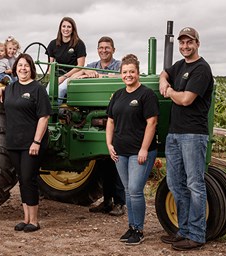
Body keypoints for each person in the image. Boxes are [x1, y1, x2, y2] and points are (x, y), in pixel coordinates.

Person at [159, 27, 214, 251]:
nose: (184, 46)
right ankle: (182, 231)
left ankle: (197, 234)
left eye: (189, 42)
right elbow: (165, 73)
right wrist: (164, 81)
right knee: (175, 183)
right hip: (174, 134)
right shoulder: (180, 66)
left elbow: (185, 100)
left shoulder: (202, 69)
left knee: (194, 184)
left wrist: (170, 92)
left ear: (197, 43)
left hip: (193, 134)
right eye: (181, 43)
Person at [0, 53, 51, 233]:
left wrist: (36, 141)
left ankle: (34, 220)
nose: (23, 68)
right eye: (20, 66)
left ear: (31, 68)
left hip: (31, 143)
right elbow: (1, 91)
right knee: (21, 180)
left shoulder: (37, 89)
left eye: (26, 66)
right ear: (15, 68)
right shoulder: (10, 87)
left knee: (28, 178)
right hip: (13, 142)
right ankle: (25, 218)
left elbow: (44, 117)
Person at [106, 54, 159, 245]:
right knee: (128, 190)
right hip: (120, 151)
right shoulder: (118, 95)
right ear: (121, 74)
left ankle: (139, 230)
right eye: (125, 72)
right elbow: (110, 121)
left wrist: (144, 149)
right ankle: (131, 227)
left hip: (140, 151)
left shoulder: (146, 95)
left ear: (138, 73)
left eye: (132, 72)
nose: (128, 75)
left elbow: (152, 123)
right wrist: (109, 144)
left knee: (135, 190)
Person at [69, 36, 125, 216]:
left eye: (107, 47)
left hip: (116, 116)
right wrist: (86, 73)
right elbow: (75, 76)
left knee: (116, 161)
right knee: (102, 163)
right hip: (96, 119)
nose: (104, 50)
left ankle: (120, 203)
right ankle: (107, 201)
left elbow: (122, 78)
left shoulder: (119, 66)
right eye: (101, 47)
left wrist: (100, 75)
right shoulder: (92, 65)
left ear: (113, 50)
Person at [46, 17, 86, 103]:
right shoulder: (53, 44)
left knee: (60, 90)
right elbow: (50, 65)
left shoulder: (79, 44)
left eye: (69, 27)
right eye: (64, 26)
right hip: (57, 76)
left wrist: (64, 77)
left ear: (73, 29)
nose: (66, 29)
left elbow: (80, 65)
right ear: (60, 28)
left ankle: (54, 114)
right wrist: (53, 79)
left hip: (72, 76)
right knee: (47, 92)